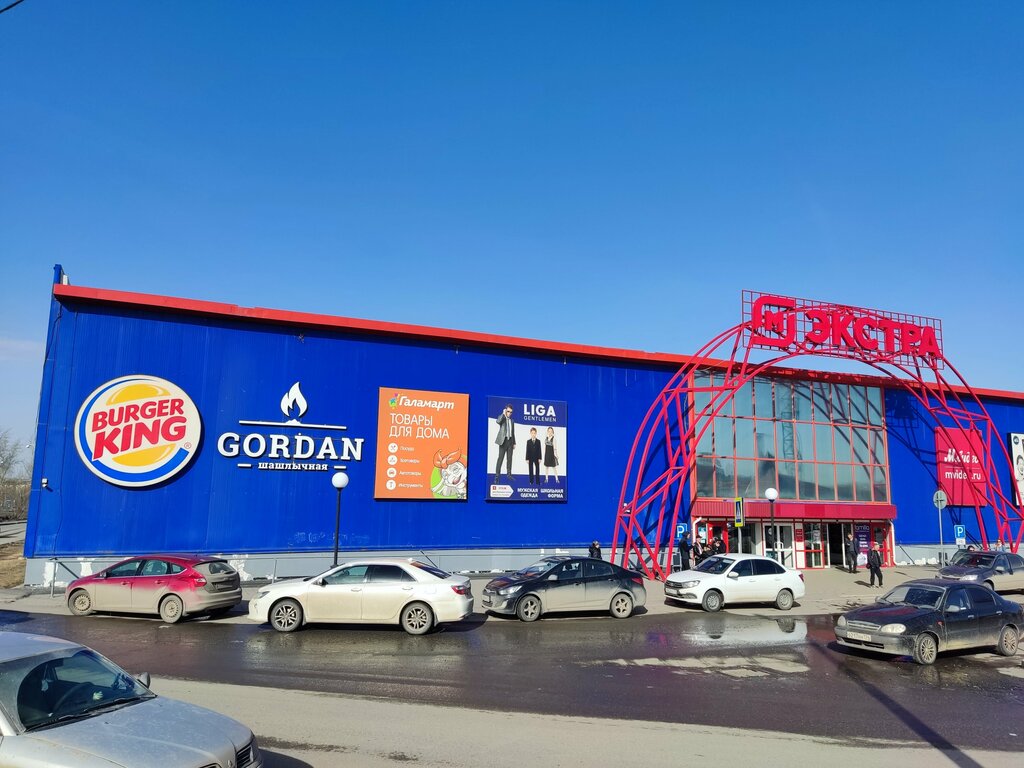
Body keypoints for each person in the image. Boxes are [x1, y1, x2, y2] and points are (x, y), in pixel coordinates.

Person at [493, 404, 516, 483]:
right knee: (500, 458)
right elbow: (498, 421)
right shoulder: (502, 418)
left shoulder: (512, 421)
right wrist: (503, 414)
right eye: (508, 411)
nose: (509, 413)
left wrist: (514, 442)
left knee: (509, 459)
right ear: (505, 411)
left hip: (510, 441)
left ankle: (509, 474)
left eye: (511, 412)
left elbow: (513, 432)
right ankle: (497, 476)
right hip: (503, 441)